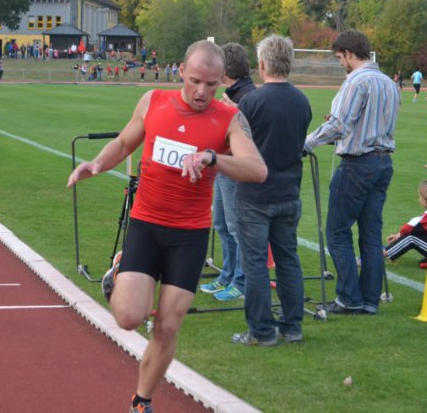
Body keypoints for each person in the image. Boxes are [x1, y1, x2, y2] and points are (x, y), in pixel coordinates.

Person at [67, 40, 267, 413]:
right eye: (195, 81)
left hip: (190, 235)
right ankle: (119, 270)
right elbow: (124, 142)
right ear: (181, 72)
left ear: (221, 80)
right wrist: (97, 164)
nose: (202, 92)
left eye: (211, 84)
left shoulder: (229, 118)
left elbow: (257, 170)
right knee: (129, 317)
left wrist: (212, 158)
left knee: (168, 326)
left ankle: (141, 401)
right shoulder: (154, 101)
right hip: (147, 224)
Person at [303, 29, 399, 315]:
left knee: (336, 231)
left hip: (358, 164)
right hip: (383, 162)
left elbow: (339, 125)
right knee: (371, 233)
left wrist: (307, 143)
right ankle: (369, 300)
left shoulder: (356, 81)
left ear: (348, 53)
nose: (340, 63)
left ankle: (349, 298)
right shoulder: (389, 82)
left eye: (339, 57)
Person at [232, 35, 312, 345]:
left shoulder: (252, 102)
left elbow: (237, 145)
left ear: (263, 64)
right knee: (288, 259)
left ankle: (261, 331)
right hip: (288, 191)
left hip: (255, 195)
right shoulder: (301, 100)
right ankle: (292, 326)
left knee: (254, 264)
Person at [200, 43, 256, 302]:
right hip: (223, 165)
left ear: (225, 68)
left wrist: (232, 110)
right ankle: (228, 275)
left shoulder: (247, 95)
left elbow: (250, 133)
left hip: (235, 168)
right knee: (222, 224)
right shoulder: (235, 92)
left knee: (236, 228)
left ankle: (241, 282)